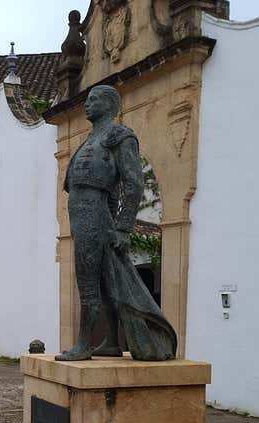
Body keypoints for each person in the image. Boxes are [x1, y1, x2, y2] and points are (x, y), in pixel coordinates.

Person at [55, 85, 177, 362]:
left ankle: (84, 344)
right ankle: (110, 341)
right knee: (102, 278)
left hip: (93, 215)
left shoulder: (119, 136)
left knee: (87, 280)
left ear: (109, 105)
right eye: (86, 100)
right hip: (85, 214)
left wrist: (122, 227)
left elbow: (133, 183)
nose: (87, 105)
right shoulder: (91, 139)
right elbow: (111, 192)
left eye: (93, 100)